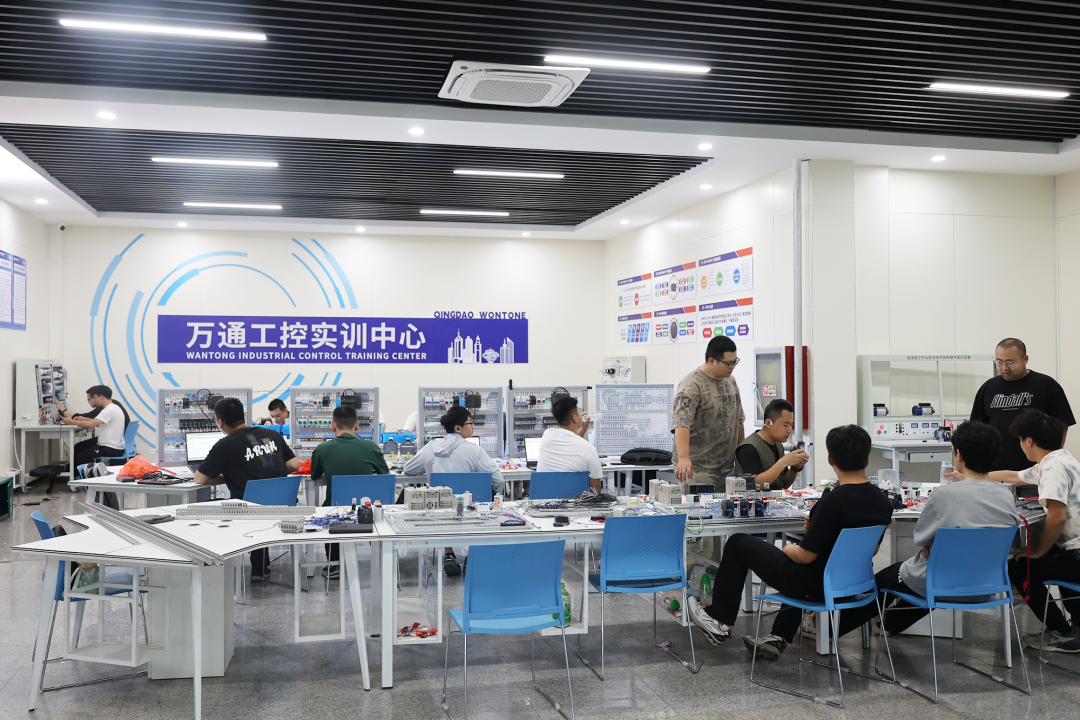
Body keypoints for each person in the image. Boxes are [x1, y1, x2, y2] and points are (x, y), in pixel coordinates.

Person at [686, 425, 893, 661]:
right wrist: (816, 531)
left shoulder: (832, 502)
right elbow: (871, 549)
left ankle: (718, 620)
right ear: (867, 460)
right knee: (807, 565)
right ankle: (779, 636)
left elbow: (805, 556)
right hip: (854, 583)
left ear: (830, 460)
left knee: (737, 543)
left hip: (815, 586)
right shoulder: (881, 500)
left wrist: (787, 548)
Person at [834, 421, 1018, 638]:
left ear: (958, 455)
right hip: (987, 586)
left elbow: (921, 538)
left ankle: (830, 630)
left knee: (893, 577)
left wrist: (934, 546)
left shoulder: (945, 494)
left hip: (944, 584)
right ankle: (888, 624)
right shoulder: (1006, 496)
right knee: (923, 574)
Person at [990, 410, 1080, 652]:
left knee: (1019, 566)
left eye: (1020, 440)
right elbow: (1014, 476)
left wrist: (1038, 551)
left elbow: (1057, 516)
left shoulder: (1052, 468)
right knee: (1053, 557)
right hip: (1074, 550)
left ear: (1028, 440)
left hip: (1077, 554)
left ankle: (1063, 632)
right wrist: (971, 476)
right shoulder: (1060, 459)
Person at [195, 397, 300, 580]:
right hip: (282, 504)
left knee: (209, 506)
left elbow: (199, 478)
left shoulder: (225, 445)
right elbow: (294, 465)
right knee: (260, 502)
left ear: (220, 422)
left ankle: (215, 569)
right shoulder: (272, 435)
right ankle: (260, 568)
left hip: (249, 510)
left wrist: (228, 476)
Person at [403, 405, 504, 575]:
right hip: (471, 512)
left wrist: (429, 468)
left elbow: (408, 469)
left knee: (444, 505)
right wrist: (499, 500)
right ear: (458, 428)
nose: (473, 427)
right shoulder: (475, 450)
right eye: (470, 423)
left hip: (438, 513)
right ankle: (472, 554)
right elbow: (499, 480)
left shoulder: (431, 447)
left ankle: (448, 553)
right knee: (478, 502)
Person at [970, 338, 1074, 474]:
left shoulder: (1046, 385)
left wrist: (1052, 461)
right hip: (996, 468)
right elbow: (976, 428)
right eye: (999, 362)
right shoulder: (988, 388)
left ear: (1025, 359)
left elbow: (1062, 425)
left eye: (1010, 362)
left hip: (1036, 469)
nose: (1004, 368)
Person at [311, 404, 390, 577]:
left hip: (336, 509)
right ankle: (383, 561)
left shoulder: (322, 449)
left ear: (333, 426)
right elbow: (385, 476)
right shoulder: (371, 447)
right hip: (366, 510)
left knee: (328, 510)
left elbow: (314, 475)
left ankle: (333, 565)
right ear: (357, 426)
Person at [672, 336, 745, 491]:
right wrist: (684, 458)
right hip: (698, 471)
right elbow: (681, 424)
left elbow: (738, 420)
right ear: (712, 360)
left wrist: (741, 457)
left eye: (735, 362)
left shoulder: (731, 381)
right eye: (728, 363)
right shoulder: (691, 385)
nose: (732, 367)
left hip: (727, 469)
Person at [733, 399, 809, 490]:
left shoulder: (778, 444)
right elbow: (754, 485)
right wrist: (783, 462)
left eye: (791, 425)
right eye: (785, 425)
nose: (790, 430)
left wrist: (795, 467)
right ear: (768, 423)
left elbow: (784, 484)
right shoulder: (748, 448)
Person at [536, 396, 604, 490]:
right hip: (574, 499)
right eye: (579, 412)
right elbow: (596, 490)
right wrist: (580, 424)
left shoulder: (547, 434)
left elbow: (571, 439)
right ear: (575, 418)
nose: (581, 415)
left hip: (543, 498)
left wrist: (582, 427)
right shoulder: (589, 449)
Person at [58, 385, 131, 466]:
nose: (94, 400)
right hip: (113, 447)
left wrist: (71, 422)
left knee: (81, 457)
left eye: (94, 398)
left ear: (101, 397)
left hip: (110, 448)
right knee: (79, 448)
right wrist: (84, 419)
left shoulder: (109, 410)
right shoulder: (114, 407)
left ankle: (77, 473)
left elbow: (91, 424)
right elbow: (98, 423)